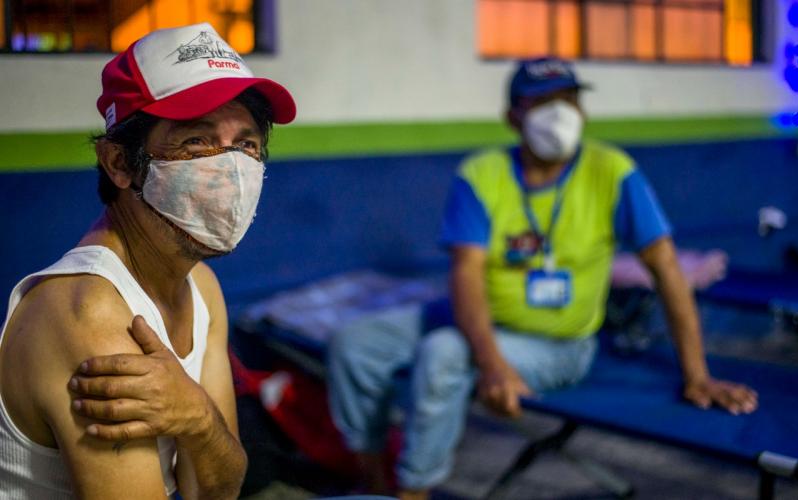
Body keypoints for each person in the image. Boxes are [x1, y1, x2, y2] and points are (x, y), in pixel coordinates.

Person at [327, 57, 758, 500]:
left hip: (559, 342)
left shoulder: (612, 173)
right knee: (355, 344)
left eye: (569, 100)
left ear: (584, 111)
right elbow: (467, 275)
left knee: (443, 353)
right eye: (542, 103)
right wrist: (492, 363)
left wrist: (698, 375)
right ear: (512, 116)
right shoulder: (482, 175)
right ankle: (372, 471)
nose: (560, 114)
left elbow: (666, 268)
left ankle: (414, 490)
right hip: (477, 319)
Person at [0, 23, 295, 499]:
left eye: (246, 145)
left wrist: (197, 415)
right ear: (119, 163)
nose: (231, 173)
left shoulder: (203, 288)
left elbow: (215, 491)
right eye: (196, 142)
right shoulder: (89, 316)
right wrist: (198, 422)